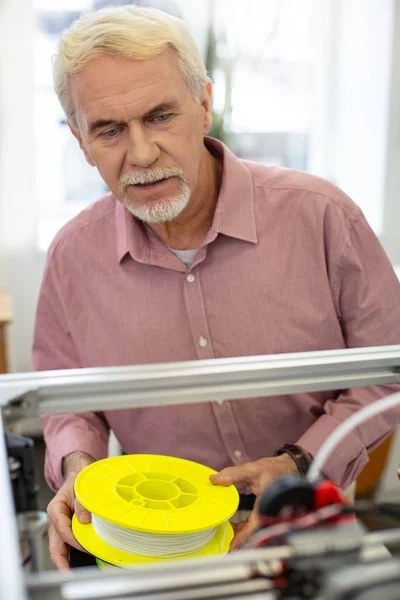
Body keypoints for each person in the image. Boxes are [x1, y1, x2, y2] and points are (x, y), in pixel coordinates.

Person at [33, 5, 400, 570]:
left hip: (307, 520)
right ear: (81, 141)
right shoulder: (71, 257)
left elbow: (387, 372)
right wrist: (79, 467)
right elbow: (64, 403)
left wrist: (300, 461)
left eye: (159, 116)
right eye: (109, 129)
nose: (141, 153)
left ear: (204, 105)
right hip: (150, 543)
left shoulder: (321, 216)